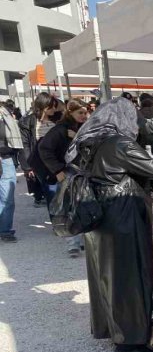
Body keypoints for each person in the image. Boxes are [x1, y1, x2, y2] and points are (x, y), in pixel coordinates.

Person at [72, 98, 153, 352]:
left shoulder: (92, 142)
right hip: (122, 212)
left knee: (107, 274)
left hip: (100, 213)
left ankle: (110, 328)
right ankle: (130, 340)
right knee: (130, 275)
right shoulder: (120, 144)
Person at [35, 99, 89, 256]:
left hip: (83, 173)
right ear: (70, 112)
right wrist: (57, 170)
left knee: (85, 206)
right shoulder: (61, 129)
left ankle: (83, 240)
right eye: (80, 112)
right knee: (69, 208)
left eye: (85, 113)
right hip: (68, 173)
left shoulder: (83, 128)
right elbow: (44, 149)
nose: (84, 115)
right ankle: (73, 243)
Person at [18, 93, 55, 207]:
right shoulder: (27, 122)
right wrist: (28, 167)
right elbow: (25, 145)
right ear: (44, 107)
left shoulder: (57, 119)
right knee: (51, 192)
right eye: (51, 106)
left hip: (57, 161)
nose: (54, 109)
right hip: (40, 162)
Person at [0, 101, 24, 243]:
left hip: (6, 159)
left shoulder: (6, 115)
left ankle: (5, 231)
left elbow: (16, 143)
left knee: (7, 198)